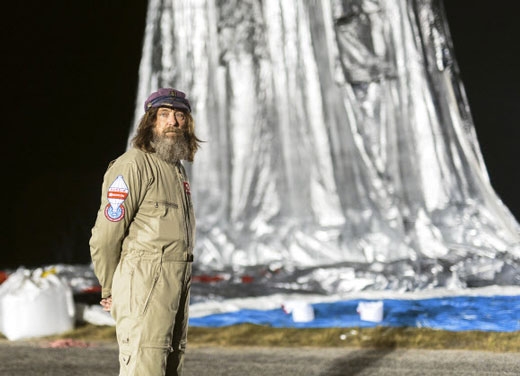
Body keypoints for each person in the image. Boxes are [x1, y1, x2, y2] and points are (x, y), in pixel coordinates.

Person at [90, 88, 202, 376]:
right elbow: (105, 235)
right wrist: (109, 287)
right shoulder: (133, 165)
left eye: (180, 115)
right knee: (145, 365)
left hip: (176, 281)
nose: (173, 122)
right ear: (150, 122)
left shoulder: (176, 170)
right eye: (164, 114)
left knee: (169, 365)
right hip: (144, 280)